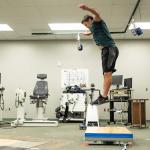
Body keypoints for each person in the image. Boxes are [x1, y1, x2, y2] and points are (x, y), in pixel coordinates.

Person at [79, 4, 119, 105]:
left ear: (90, 20)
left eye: (86, 24)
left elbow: (97, 13)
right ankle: (103, 96)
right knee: (105, 74)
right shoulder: (92, 28)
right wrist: (85, 33)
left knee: (107, 73)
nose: (86, 26)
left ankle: (104, 97)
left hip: (110, 48)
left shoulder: (97, 22)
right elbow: (91, 32)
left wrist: (87, 8)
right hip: (105, 51)